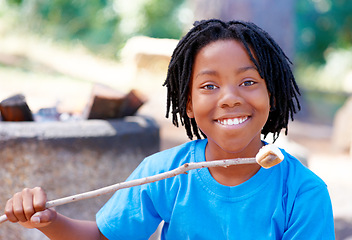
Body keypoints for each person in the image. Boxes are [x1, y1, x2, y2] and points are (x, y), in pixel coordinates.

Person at [4, 19, 335, 239]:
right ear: (188, 104)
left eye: (248, 82)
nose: (230, 98)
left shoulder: (303, 192)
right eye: (209, 86)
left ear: (272, 96)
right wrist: (51, 222)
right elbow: (107, 237)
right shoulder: (165, 173)